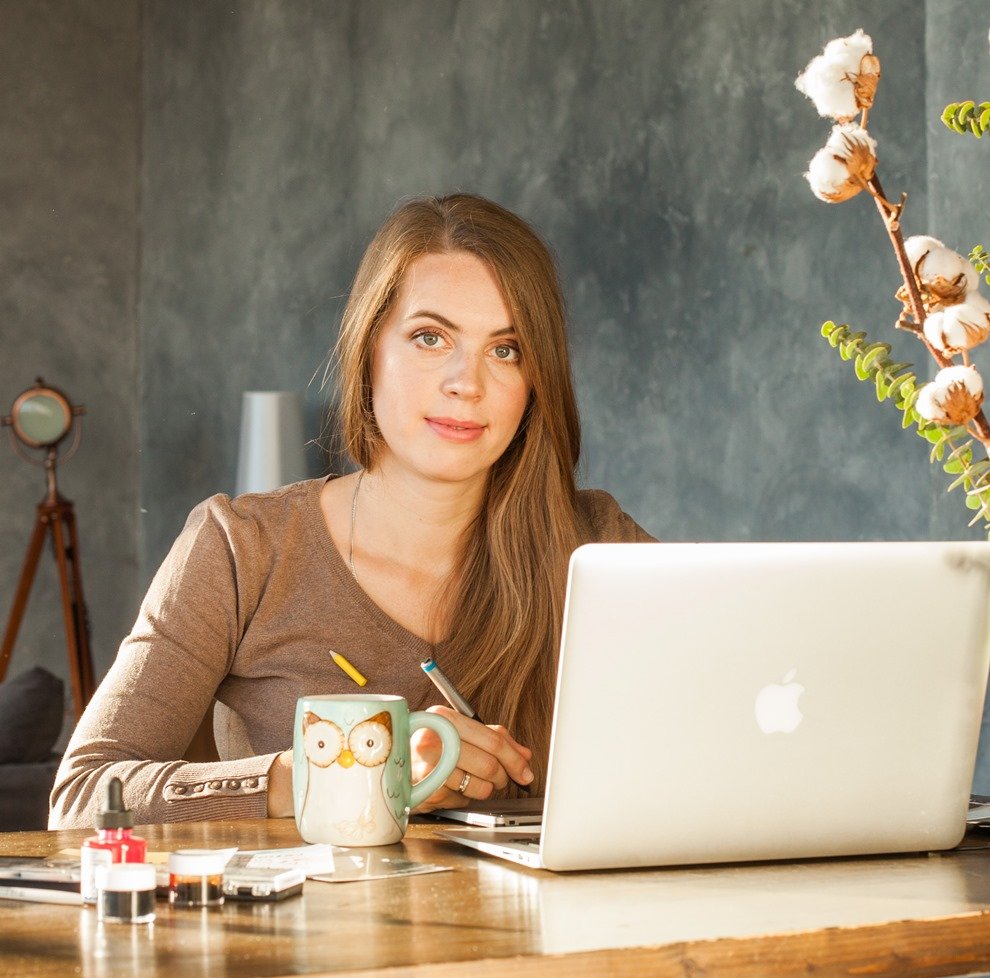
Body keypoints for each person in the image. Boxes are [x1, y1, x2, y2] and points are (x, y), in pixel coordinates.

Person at [49, 193, 654, 828]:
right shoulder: (242, 547)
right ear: (368, 350)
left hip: (555, 928)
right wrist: (339, 771)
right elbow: (84, 797)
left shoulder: (599, 545)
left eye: (506, 349)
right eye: (430, 337)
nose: (466, 382)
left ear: (536, 381)